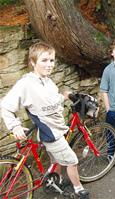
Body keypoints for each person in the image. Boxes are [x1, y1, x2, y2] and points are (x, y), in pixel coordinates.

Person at [1, 42, 90, 198]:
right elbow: (5, 106)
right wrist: (15, 126)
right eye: (44, 60)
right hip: (51, 134)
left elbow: (51, 100)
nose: (49, 65)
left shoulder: (47, 81)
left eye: (52, 60)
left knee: (56, 159)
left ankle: (56, 180)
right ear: (33, 62)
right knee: (72, 160)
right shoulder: (26, 84)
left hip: (54, 130)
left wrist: (65, 95)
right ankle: (78, 188)